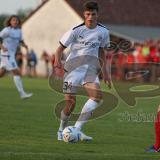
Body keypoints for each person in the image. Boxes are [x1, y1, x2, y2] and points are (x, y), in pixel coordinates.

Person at [54, 1, 111, 141]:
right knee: (70, 104)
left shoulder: (103, 31)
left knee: (97, 97)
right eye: (88, 14)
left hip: (90, 70)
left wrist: (106, 72)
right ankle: (61, 130)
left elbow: (102, 51)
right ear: (84, 15)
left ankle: (77, 129)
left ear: (98, 14)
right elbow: (60, 48)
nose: (91, 17)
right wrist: (57, 62)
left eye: (93, 14)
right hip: (72, 70)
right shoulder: (76, 30)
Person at [0, 15, 32, 99]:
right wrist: (2, 47)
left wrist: (24, 45)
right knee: (16, 72)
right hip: (5, 54)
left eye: (17, 20)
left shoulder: (19, 31)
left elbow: (20, 40)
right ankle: (22, 94)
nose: (15, 21)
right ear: (10, 22)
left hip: (11, 55)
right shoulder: (7, 30)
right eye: (13, 20)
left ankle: (22, 94)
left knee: (2, 73)